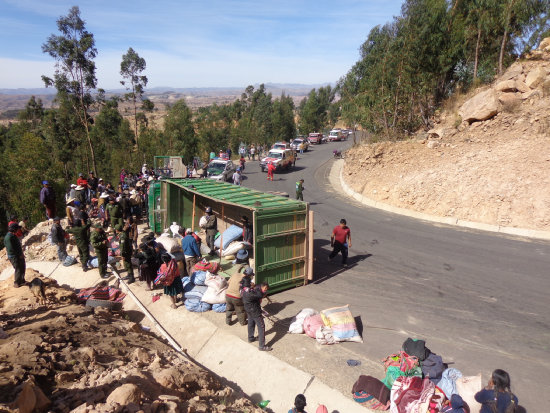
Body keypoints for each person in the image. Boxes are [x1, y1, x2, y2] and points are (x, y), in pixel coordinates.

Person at [241, 277, 272, 351]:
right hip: (254, 310)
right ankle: (262, 346)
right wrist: (260, 291)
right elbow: (259, 295)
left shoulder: (243, 289)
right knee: (261, 326)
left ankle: (251, 338)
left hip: (248, 309)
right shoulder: (250, 291)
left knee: (251, 323)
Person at [4, 222, 26, 288]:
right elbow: (11, 249)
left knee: (22, 266)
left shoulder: (13, 235)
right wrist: (19, 255)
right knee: (18, 268)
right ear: (14, 229)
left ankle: (22, 281)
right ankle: (16, 282)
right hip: (14, 256)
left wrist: (21, 253)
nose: (18, 230)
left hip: (18, 255)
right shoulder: (8, 237)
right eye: (17, 229)